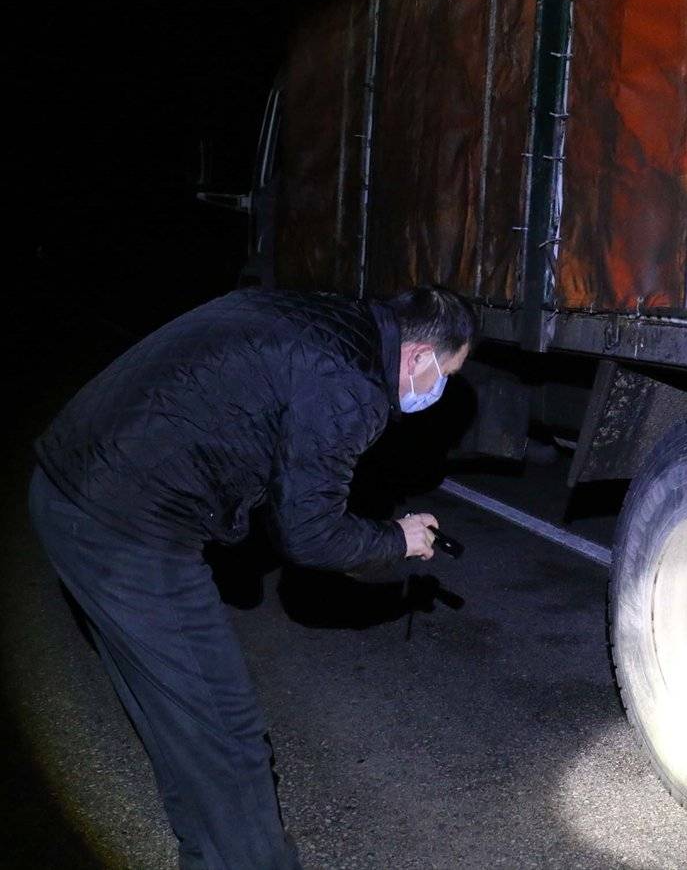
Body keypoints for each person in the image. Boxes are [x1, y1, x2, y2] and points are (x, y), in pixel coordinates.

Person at [28, 284, 477, 869]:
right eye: (444, 374)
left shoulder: (320, 314)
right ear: (417, 356)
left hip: (68, 488)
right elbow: (308, 534)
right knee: (226, 735)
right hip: (127, 525)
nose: (437, 392)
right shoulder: (351, 385)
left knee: (182, 729)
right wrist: (398, 538)